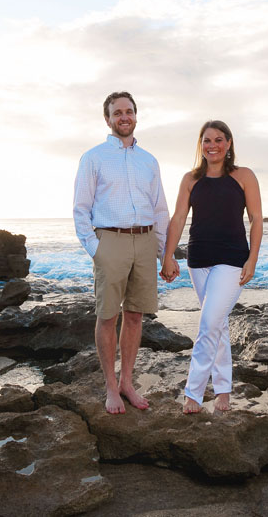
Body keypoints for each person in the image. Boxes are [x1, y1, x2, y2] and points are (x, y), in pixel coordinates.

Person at [73, 91, 170, 414]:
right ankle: (111, 388)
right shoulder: (94, 157)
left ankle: (127, 381)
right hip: (109, 241)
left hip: (144, 240)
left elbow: (159, 210)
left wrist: (164, 253)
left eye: (129, 111)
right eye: (117, 113)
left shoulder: (149, 161)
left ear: (136, 116)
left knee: (135, 315)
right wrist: (97, 250)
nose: (124, 117)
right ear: (108, 119)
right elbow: (81, 209)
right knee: (107, 316)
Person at [160, 120, 262, 413]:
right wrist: (168, 256)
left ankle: (193, 393)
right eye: (207, 140)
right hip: (199, 260)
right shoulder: (190, 179)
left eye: (219, 139)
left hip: (232, 260)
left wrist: (252, 259)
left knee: (207, 324)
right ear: (200, 144)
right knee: (216, 323)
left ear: (229, 143)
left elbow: (256, 218)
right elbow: (179, 218)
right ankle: (223, 391)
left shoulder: (244, 176)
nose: (212, 145)